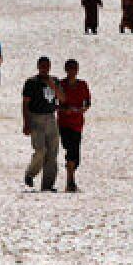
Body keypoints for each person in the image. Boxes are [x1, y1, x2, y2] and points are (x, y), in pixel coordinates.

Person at [22, 56, 62, 192]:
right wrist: (26, 122)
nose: (45, 68)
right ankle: (30, 173)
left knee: (52, 153)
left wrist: (53, 86)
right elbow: (25, 103)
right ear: (38, 67)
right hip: (36, 119)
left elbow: (63, 98)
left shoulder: (55, 81)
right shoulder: (31, 82)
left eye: (47, 66)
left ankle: (48, 185)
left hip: (51, 119)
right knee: (40, 150)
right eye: (42, 66)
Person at [57, 59, 91, 193]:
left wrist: (82, 109)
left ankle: (71, 179)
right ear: (66, 69)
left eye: (74, 68)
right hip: (64, 123)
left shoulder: (82, 85)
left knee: (75, 155)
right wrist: (64, 110)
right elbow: (55, 102)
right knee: (70, 151)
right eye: (69, 68)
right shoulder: (61, 84)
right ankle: (70, 181)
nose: (72, 71)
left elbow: (87, 102)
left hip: (77, 124)